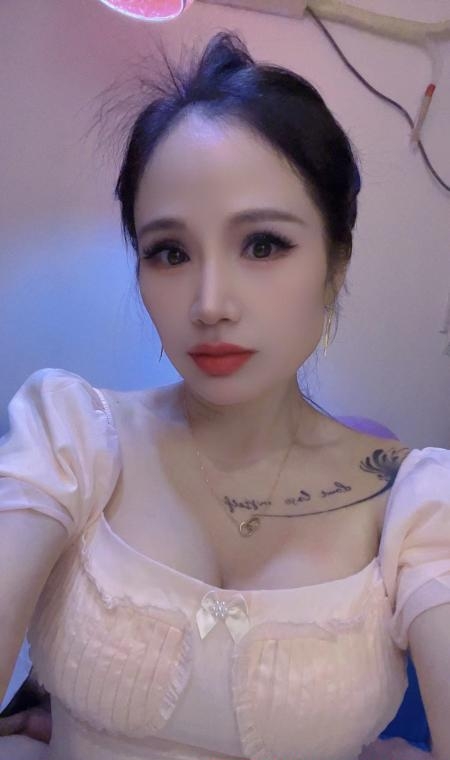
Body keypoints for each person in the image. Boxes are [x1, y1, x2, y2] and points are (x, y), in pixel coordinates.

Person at [0, 29, 448, 760]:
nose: (209, 304)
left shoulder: (416, 501)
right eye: (169, 252)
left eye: (263, 244)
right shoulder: (71, 436)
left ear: (336, 262)